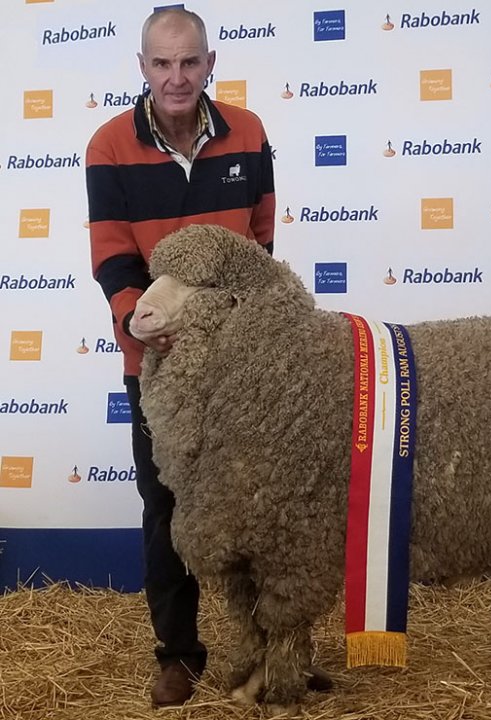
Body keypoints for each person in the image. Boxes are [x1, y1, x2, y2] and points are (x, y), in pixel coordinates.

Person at [85, 8, 330, 707]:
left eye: (189, 62)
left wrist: (242, 343)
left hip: (243, 378)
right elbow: (112, 256)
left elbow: (259, 255)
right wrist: (136, 317)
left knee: (269, 508)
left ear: (211, 62)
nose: (176, 77)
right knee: (166, 508)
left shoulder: (249, 133)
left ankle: (279, 650)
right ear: (142, 68)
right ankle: (179, 654)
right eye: (162, 64)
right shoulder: (108, 146)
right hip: (157, 370)